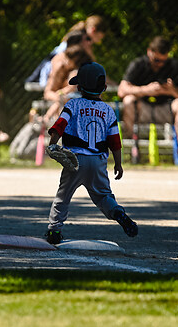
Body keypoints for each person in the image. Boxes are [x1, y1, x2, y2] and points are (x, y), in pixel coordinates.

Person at [44, 62, 138, 245]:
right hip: (98, 161)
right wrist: (118, 164)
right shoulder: (108, 111)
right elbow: (115, 141)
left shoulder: (73, 104)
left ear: (78, 87)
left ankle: (54, 231)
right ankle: (117, 212)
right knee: (104, 196)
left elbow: (59, 126)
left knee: (63, 196)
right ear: (104, 87)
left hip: (75, 161)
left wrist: (52, 145)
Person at [117, 36, 178, 142]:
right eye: (156, 60)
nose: (160, 64)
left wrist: (172, 91)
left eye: (163, 61)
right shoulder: (138, 64)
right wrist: (146, 90)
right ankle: (131, 142)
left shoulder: (175, 66)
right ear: (149, 52)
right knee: (128, 100)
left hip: (167, 109)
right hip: (143, 109)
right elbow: (121, 90)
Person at [26, 15, 106, 87]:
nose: (100, 40)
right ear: (93, 30)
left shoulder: (82, 38)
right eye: (100, 37)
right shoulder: (81, 39)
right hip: (51, 70)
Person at [42, 44, 92, 122]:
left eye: (69, 59)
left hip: (77, 99)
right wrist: (60, 96)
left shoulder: (77, 72)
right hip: (66, 98)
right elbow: (47, 92)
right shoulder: (60, 67)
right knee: (62, 101)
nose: (65, 61)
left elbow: (72, 88)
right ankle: (48, 118)